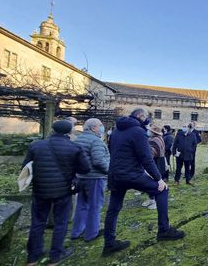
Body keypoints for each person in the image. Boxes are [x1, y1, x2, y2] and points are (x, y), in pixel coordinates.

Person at [103, 108, 185, 257]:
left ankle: (109, 244)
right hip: (132, 174)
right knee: (162, 190)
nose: (147, 120)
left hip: (116, 174)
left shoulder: (116, 130)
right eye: (146, 117)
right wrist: (159, 178)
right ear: (140, 117)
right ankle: (164, 230)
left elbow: (114, 152)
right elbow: (146, 158)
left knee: (113, 209)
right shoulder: (138, 131)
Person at [24, 120, 91, 266]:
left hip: (40, 190)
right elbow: (85, 169)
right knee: (61, 222)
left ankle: (33, 256)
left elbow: (26, 168)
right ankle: (55, 255)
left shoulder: (36, 145)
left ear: (53, 130)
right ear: (69, 132)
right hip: (63, 191)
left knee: (38, 222)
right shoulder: (75, 147)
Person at [70, 118, 109, 242]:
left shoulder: (77, 140)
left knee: (81, 205)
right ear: (93, 128)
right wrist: (110, 170)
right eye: (100, 126)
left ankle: (77, 231)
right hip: (95, 177)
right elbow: (98, 161)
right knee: (95, 206)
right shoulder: (95, 141)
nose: (102, 128)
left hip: (81, 177)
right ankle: (92, 233)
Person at [142, 123, 168, 210]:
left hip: (156, 163)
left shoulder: (154, 140)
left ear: (153, 132)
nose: (148, 131)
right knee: (154, 183)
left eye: (150, 130)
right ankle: (151, 199)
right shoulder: (159, 138)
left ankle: (156, 202)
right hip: (159, 163)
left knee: (156, 184)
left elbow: (151, 153)